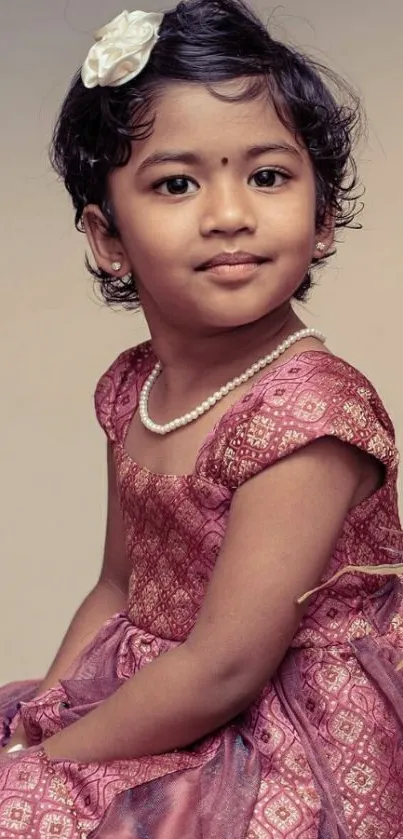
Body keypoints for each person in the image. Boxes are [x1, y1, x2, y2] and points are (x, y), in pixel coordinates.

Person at [1, 1, 403, 836]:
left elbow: (226, 666)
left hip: (278, 734)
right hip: (159, 690)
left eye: (267, 176)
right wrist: (43, 716)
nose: (228, 214)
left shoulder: (307, 411)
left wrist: (57, 763)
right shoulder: (134, 387)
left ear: (322, 218)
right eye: (176, 183)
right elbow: (119, 586)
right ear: (106, 237)